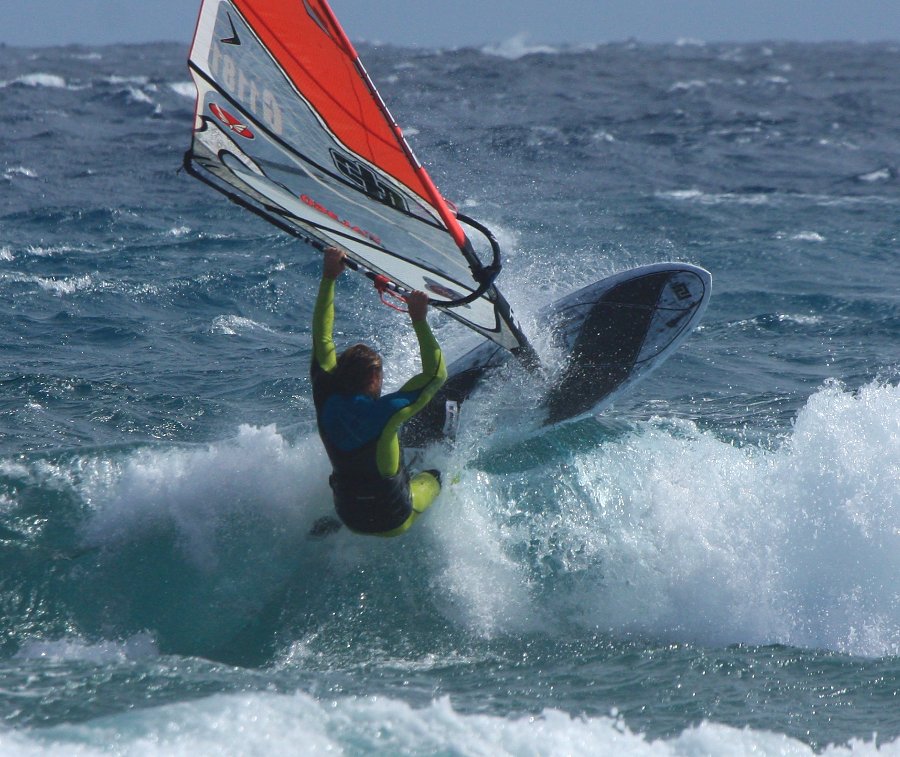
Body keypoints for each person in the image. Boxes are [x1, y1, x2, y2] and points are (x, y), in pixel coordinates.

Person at [310, 246, 447, 537]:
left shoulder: (324, 395)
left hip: (349, 513)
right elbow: (436, 375)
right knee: (435, 477)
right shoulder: (385, 412)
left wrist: (329, 277)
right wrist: (419, 318)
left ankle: (334, 524)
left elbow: (322, 337)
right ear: (373, 378)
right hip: (393, 518)